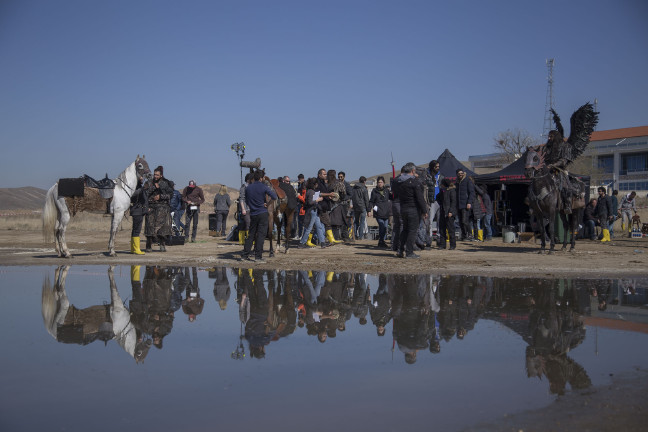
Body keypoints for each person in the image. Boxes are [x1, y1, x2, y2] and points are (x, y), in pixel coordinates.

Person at [241, 170, 277, 263]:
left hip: (253, 213)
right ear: (261, 178)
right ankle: (258, 257)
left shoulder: (248, 188)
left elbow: (246, 200)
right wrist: (267, 204)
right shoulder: (264, 186)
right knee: (261, 235)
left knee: (251, 235)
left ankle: (245, 255)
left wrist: (252, 206)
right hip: (262, 213)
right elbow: (274, 196)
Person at [395, 163, 427, 258]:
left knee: (405, 230)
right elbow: (420, 198)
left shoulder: (399, 182)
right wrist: (424, 210)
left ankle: (400, 250)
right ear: (413, 171)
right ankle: (409, 252)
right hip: (413, 209)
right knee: (412, 231)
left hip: (403, 208)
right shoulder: (414, 182)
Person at [144, 166, 174, 252]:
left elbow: (171, 195)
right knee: (149, 226)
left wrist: (161, 196)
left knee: (162, 228)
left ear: (161, 175)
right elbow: (145, 194)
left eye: (157, 175)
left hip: (163, 207)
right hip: (151, 207)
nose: (155, 176)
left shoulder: (166, 183)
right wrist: (154, 188)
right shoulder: (149, 183)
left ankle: (162, 245)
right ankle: (148, 246)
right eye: (154, 175)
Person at [298, 177, 330, 249]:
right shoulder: (311, 192)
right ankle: (302, 243)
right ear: (315, 184)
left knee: (318, 227)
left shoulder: (309, 191)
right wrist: (318, 200)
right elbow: (310, 202)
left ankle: (322, 242)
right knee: (309, 228)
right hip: (312, 211)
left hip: (313, 211)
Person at [316, 168, 342, 245]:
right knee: (327, 222)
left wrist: (328, 196)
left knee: (316, 225)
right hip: (320, 206)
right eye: (324, 174)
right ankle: (331, 239)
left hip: (323, 205)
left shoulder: (323, 183)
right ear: (319, 175)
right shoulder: (318, 183)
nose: (325, 175)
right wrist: (329, 194)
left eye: (326, 174)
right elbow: (319, 193)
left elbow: (323, 193)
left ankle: (310, 240)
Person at [423, 160, 444, 246]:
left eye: (438, 167)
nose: (437, 168)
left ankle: (439, 238)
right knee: (430, 221)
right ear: (432, 167)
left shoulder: (441, 176)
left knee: (440, 221)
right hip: (431, 200)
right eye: (436, 167)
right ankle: (429, 239)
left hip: (440, 200)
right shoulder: (427, 175)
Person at [370, 176, 392, 248]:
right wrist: (369, 210)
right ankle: (381, 241)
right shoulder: (374, 191)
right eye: (379, 182)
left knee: (385, 227)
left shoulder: (386, 191)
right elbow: (371, 201)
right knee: (381, 226)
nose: (380, 183)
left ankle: (382, 241)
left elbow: (392, 198)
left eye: (381, 182)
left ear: (384, 183)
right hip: (378, 212)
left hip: (386, 212)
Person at [129, 173, 148, 255]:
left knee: (135, 229)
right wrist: (142, 189)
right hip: (137, 210)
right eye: (140, 177)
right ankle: (136, 249)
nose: (142, 178)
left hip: (137, 210)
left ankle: (133, 248)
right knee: (137, 229)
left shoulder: (138, 186)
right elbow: (133, 194)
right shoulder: (136, 186)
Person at [437, 178, 457, 250]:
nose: (441, 185)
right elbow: (438, 198)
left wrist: (451, 211)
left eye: (442, 184)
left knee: (450, 229)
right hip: (443, 211)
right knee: (442, 229)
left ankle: (452, 245)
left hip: (449, 212)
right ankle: (442, 245)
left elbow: (453, 202)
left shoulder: (452, 191)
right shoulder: (443, 191)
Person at [455, 168, 475, 241]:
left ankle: (470, 234)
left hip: (465, 204)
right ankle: (464, 235)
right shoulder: (457, 182)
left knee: (465, 221)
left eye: (461, 173)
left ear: (463, 173)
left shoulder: (467, 181)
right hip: (458, 204)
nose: (460, 175)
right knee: (460, 221)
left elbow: (472, 192)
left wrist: (469, 202)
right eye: (459, 174)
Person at [278, 175, 298, 243]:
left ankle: (287, 235)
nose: (288, 182)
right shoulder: (281, 187)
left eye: (289, 181)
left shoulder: (290, 187)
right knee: (283, 222)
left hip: (290, 207)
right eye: (287, 181)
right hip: (282, 207)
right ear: (283, 181)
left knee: (289, 223)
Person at [238, 173, 253, 244]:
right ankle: (246, 241)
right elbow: (241, 198)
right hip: (245, 209)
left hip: (251, 208)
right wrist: (243, 209)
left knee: (247, 224)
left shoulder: (252, 187)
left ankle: (248, 240)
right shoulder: (244, 187)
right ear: (248, 179)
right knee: (247, 224)